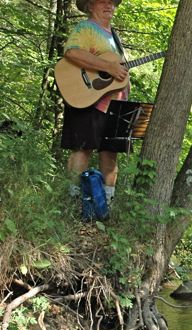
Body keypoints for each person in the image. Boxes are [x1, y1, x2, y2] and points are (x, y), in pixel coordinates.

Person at [61, 0, 129, 204]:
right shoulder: (86, 28)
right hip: (88, 100)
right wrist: (108, 67)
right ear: (90, 5)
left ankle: (104, 205)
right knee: (82, 149)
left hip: (115, 106)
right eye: (103, 1)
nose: (109, 6)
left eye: (112, 2)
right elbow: (71, 51)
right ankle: (71, 202)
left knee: (111, 156)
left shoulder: (114, 37)